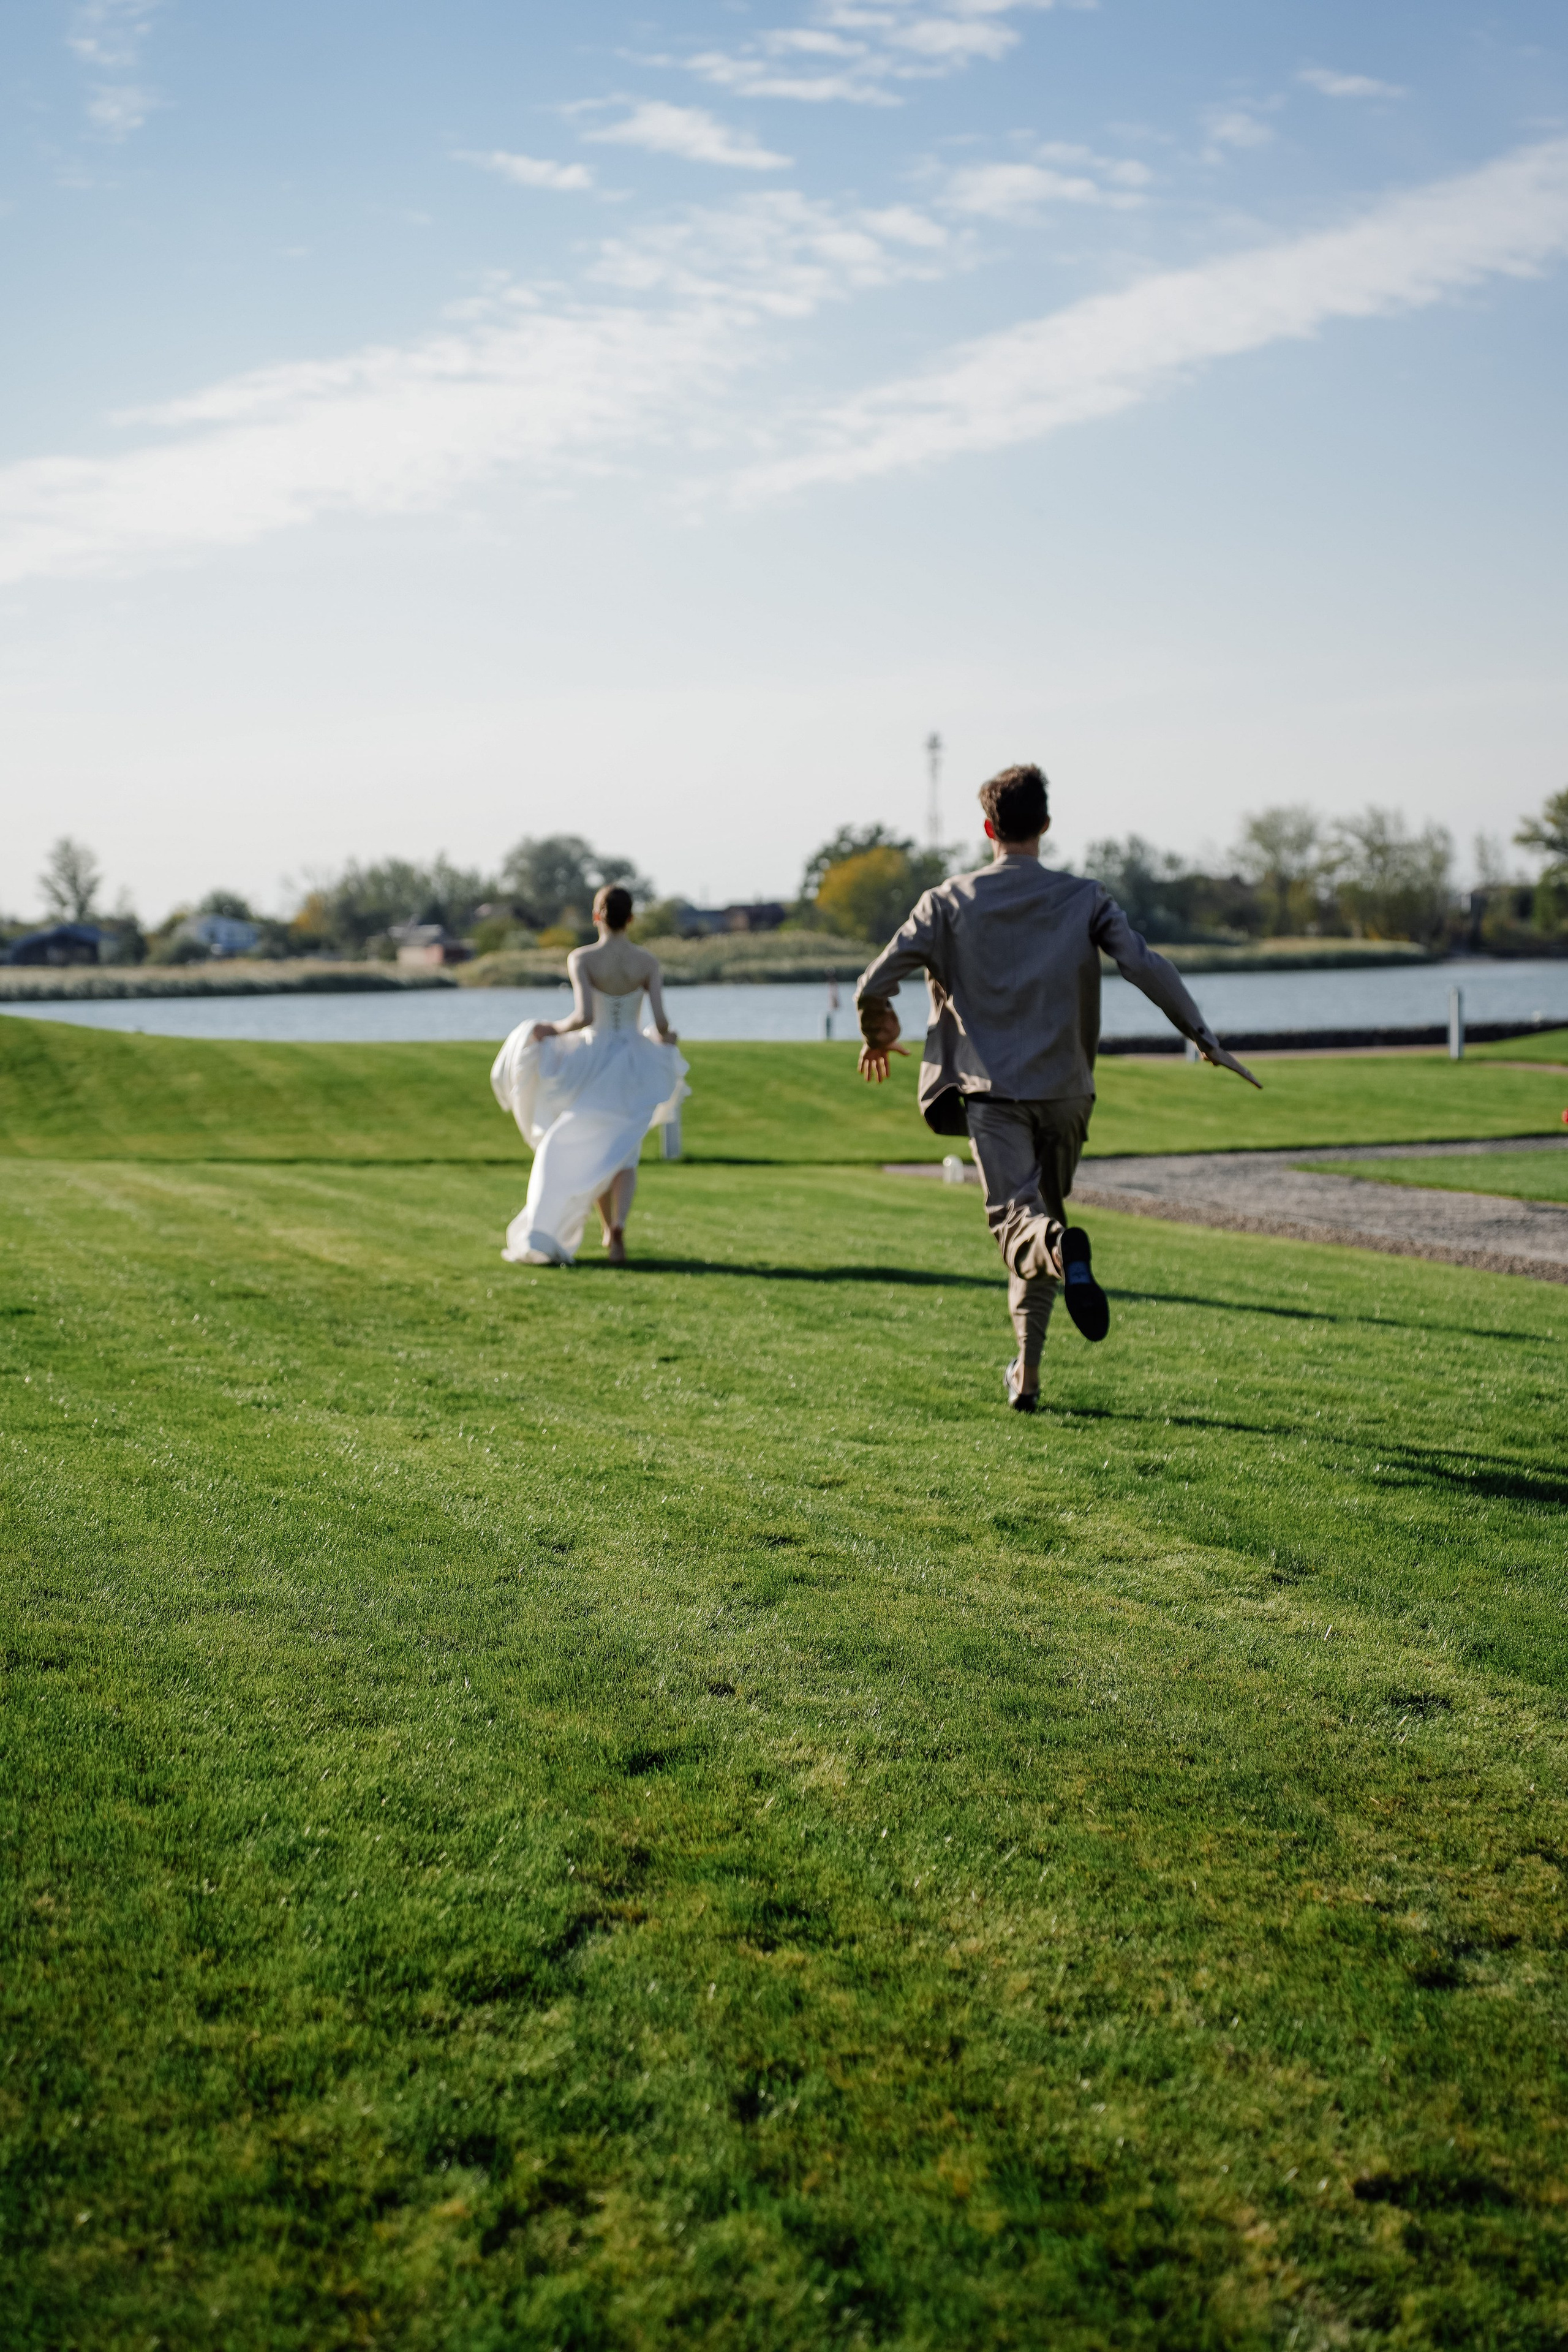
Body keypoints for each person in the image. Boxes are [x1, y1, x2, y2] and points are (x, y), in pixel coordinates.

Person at [856, 763, 1260, 1411]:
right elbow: (1142, 963)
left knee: (1020, 1224)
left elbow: (875, 978)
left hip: (993, 1092)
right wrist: (1202, 1036)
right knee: (1042, 1220)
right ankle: (1029, 1376)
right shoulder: (1086, 897)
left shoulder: (946, 901)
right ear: (1045, 825)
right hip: (1068, 1093)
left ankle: (1056, 1251)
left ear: (988, 827)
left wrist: (877, 1028)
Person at [490, 884, 688, 1267]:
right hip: (632, 1061)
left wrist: (549, 1029)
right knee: (625, 1154)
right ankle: (617, 1231)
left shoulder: (582, 958)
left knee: (598, 1148)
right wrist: (667, 1039)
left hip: (594, 1059)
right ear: (630, 918)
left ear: (597, 915)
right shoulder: (647, 963)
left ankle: (597, 1226)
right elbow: (662, 1023)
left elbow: (581, 1018)